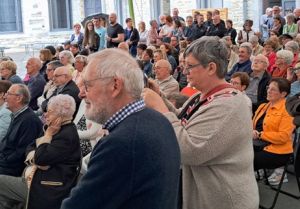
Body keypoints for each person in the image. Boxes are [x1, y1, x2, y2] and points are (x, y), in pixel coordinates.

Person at [143, 36, 259, 209]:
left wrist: (159, 107)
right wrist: (160, 96)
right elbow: (182, 120)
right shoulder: (204, 94)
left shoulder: (227, 104)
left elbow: (190, 150)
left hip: (225, 200)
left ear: (211, 68)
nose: (184, 71)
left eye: (189, 66)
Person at [62, 49, 181, 209]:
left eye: (87, 85)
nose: (81, 94)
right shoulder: (158, 119)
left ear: (115, 85)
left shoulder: (121, 143)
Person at [0, 94, 81, 209]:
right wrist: (34, 158)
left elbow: (41, 158)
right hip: (37, 179)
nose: (45, 115)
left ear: (61, 115)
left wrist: (47, 136)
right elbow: (31, 146)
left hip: (46, 187)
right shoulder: (54, 127)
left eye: (50, 112)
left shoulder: (65, 135)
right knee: (3, 196)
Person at [253, 78, 295, 185]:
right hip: (257, 145)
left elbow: (283, 137)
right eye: (268, 88)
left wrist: (261, 135)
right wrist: (252, 131)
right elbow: (252, 125)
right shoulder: (263, 106)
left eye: (273, 90)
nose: (268, 91)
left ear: (283, 94)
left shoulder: (287, 111)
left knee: (245, 161)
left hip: (278, 151)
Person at [0, 84, 43, 176]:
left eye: (8, 94)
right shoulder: (18, 115)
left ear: (19, 98)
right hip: (5, 161)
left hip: (11, 168)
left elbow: (21, 154)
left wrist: (2, 161)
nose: (4, 97)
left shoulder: (29, 121)